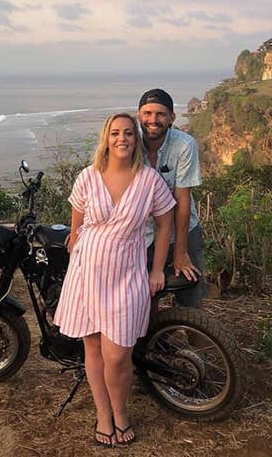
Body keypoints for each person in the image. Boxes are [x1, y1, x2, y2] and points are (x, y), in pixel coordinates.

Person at [54, 112, 175, 447]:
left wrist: (157, 269)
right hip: (87, 274)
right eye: (115, 133)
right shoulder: (88, 177)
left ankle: (120, 412)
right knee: (92, 348)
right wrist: (77, 244)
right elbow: (77, 222)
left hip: (127, 276)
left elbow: (165, 225)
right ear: (106, 139)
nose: (122, 139)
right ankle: (104, 414)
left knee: (118, 355)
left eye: (128, 134)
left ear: (136, 140)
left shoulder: (149, 180)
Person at [138, 88, 206, 308]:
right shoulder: (130, 145)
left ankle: (198, 340)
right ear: (139, 115)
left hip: (182, 229)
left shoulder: (184, 145)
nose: (153, 120)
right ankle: (153, 339)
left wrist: (180, 250)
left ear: (171, 118)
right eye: (147, 113)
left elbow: (183, 200)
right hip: (145, 233)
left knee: (191, 296)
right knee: (144, 297)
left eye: (160, 114)